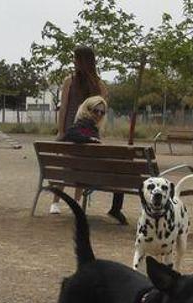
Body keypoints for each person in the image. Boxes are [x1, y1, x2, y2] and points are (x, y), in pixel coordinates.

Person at [49, 47, 124, 225]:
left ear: (80, 60)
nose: (74, 62)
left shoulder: (70, 81)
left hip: (70, 130)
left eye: (76, 59)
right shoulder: (99, 85)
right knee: (81, 169)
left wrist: (61, 131)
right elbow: (102, 108)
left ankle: (56, 202)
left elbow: (64, 108)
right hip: (88, 132)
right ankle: (76, 202)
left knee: (68, 167)